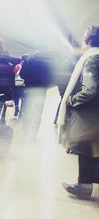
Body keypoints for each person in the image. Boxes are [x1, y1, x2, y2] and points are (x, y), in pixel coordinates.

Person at [60, 25, 99, 198]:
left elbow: (90, 90)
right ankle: (84, 185)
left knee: (85, 149)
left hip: (90, 114)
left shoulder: (92, 59)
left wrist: (71, 100)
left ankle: (84, 187)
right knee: (91, 149)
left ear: (89, 40)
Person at [19, 50, 53, 141]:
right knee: (38, 112)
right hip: (41, 91)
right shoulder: (47, 64)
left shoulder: (29, 62)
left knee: (27, 111)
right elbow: (50, 78)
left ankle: (25, 133)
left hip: (29, 89)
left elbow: (22, 75)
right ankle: (33, 135)